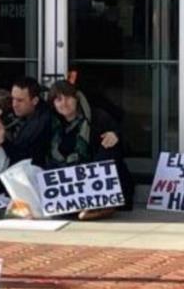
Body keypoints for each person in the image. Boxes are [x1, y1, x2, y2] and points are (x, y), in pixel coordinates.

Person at [46, 79, 135, 220]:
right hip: (70, 186)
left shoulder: (97, 117)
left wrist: (116, 136)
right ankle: (85, 206)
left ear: (76, 98)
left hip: (99, 183)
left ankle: (101, 204)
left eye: (68, 97)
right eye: (58, 100)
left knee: (107, 147)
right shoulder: (52, 125)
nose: (64, 103)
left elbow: (126, 147)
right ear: (53, 104)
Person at [0, 76, 51, 167]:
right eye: (13, 99)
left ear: (34, 101)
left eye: (20, 100)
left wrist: (3, 141)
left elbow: (24, 159)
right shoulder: (25, 114)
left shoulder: (42, 122)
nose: (14, 104)